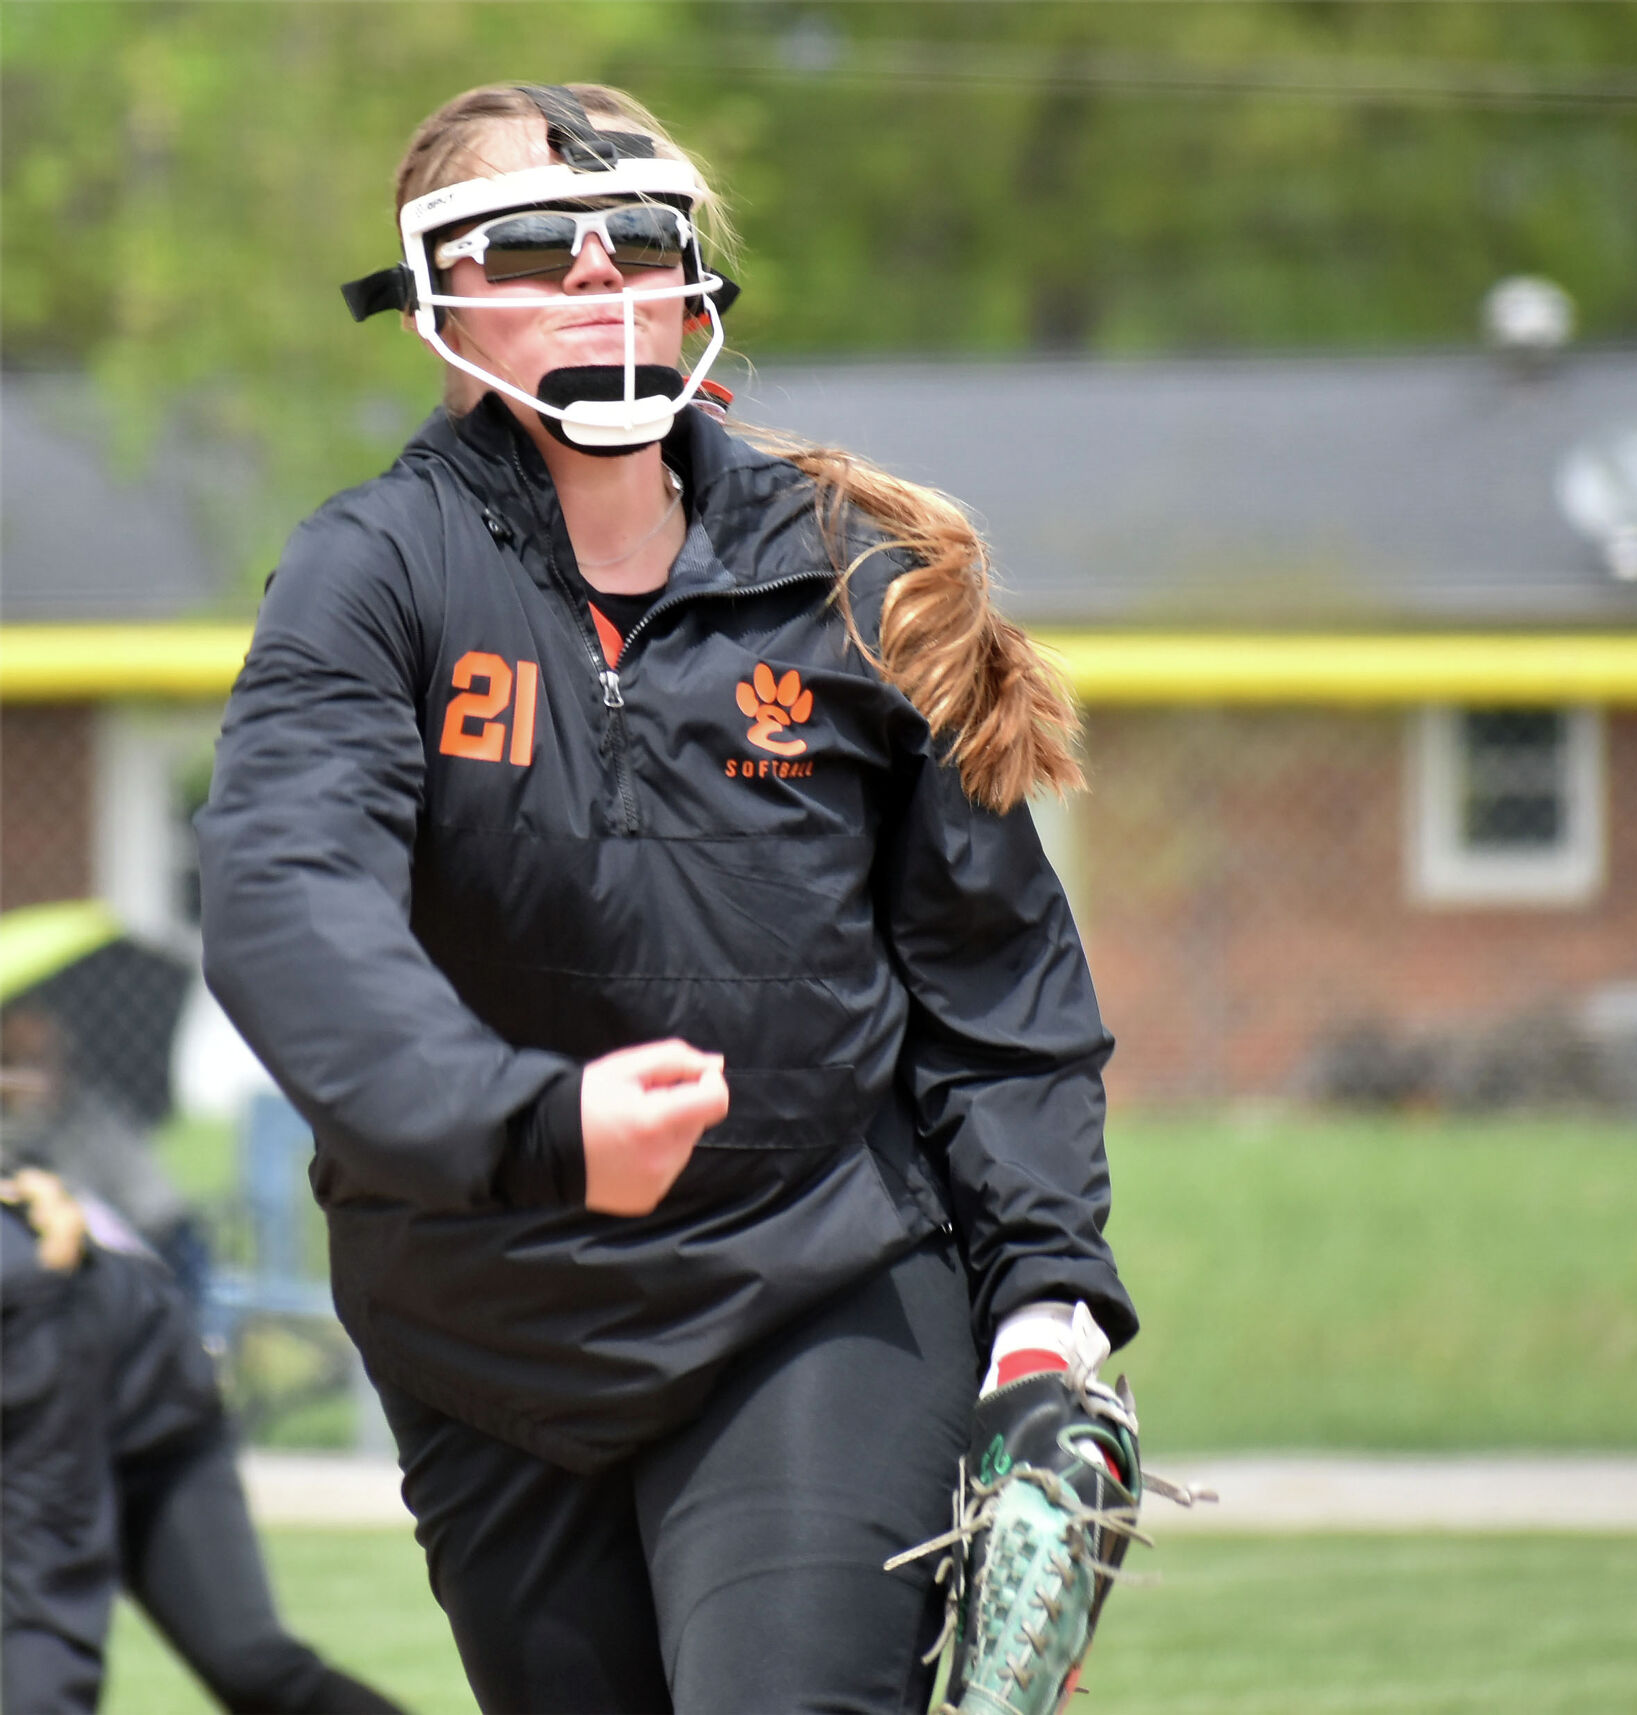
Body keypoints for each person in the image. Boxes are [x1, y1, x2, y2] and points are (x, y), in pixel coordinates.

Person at [197, 82, 1141, 1713]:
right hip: (486, 1319)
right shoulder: (373, 573)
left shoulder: (854, 581)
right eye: (530, 249)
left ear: (693, 278)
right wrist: (531, 1122)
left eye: (633, 242)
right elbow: (287, 896)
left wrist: (1048, 1305)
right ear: (436, 299)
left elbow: (996, 1000)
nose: (593, 280)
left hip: (811, 1278)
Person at [0, 1167, 405, 1715]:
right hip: (51, 1413)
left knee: (250, 1665)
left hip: (141, 1420)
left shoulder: (23, 1291)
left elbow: (45, 1602)